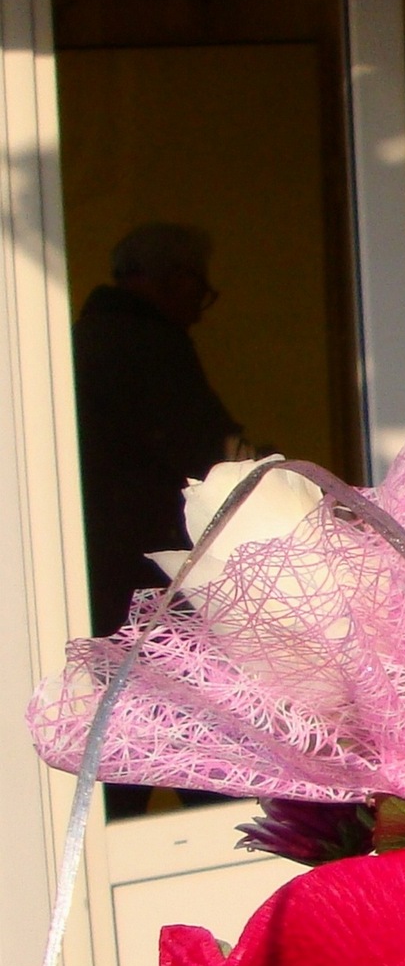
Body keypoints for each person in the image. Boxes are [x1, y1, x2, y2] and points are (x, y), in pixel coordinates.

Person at [73, 222, 242, 816]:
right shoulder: (148, 344)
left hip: (97, 571)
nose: (199, 305)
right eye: (199, 287)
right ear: (174, 279)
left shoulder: (84, 337)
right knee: (197, 736)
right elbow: (205, 453)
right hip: (154, 573)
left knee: (119, 743)